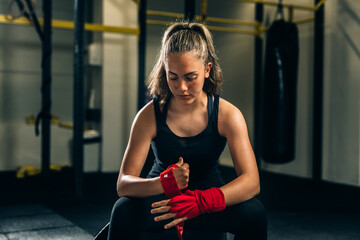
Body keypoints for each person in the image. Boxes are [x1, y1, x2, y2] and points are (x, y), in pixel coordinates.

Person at [107, 22, 267, 240]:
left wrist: (202, 201)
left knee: (253, 213)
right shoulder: (149, 115)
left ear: (207, 70)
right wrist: (164, 182)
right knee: (123, 209)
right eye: (173, 76)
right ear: (165, 71)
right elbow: (124, 183)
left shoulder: (228, 115)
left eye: (190, 77)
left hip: (206, 205)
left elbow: (251, 181)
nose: (181, 87)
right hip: (162, 203)